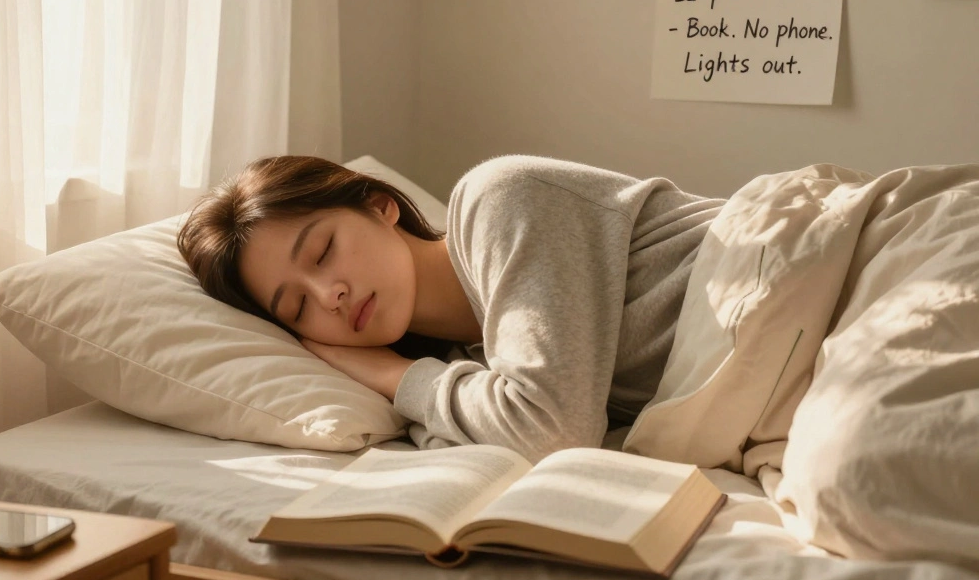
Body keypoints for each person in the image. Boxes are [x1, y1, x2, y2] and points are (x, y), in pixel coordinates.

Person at [177, 154, 724, 462]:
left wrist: (396, 376)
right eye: (298, 307)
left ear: (380, 205)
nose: (329, 296)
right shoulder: (472, 366)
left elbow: (552, 431)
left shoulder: (497, 199)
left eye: (322, 252)